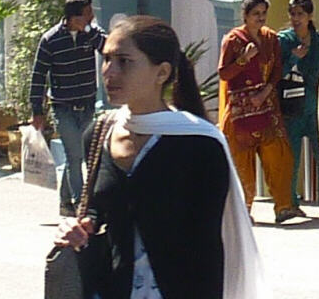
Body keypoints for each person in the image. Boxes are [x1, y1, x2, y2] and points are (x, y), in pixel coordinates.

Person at [54, 16, 268, 299]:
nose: (109, 72)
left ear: (162, 72)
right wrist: (79, 225)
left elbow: (209, 248)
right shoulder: (99, 133)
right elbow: (97, 208)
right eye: (106, 59)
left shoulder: (199, 144)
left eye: (124, 61)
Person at [218, 0, 296, 221]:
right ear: (245, 15)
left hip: (266, 106)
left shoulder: (271, 38)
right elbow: (224, 73)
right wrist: (243, 58)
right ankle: (244, 210)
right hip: (240, 111)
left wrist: (266, 91)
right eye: (256, 14)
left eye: (263, 14)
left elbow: (277, 71)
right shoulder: (233, 40)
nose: (260, 18)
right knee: (242, 160)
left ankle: (282, 207)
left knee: (280, 155)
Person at [29, 0, 105, 216]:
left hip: (87, 103)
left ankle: (65, 203)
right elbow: (39, 75)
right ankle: (82, 204)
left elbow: (106, 46)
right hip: (63, 106)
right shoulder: (51, 40)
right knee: (75, 156)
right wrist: (37, 109)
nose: (91, 18)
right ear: (74, 17)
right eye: (87, 15)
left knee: (77, 155)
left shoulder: (91, 34)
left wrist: (89, 31)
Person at [278, 0, 319, 218]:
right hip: (292, 106)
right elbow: (275, 73)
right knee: (292, 156)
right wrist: (292, 59)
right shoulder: (284, 41)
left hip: (315, 105)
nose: (296, 18)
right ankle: (290, 203)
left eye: (300, 14)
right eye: (293, 14)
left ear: (309, 16)